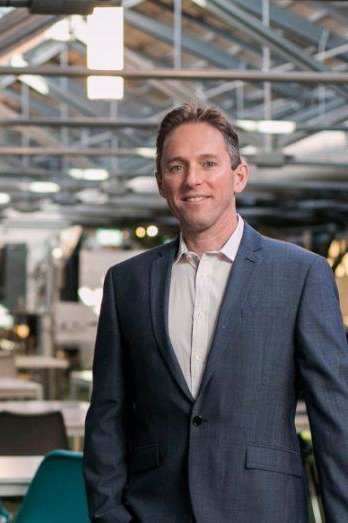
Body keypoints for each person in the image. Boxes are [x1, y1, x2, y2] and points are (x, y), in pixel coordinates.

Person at [83, 102, 348, 522]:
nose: (193, 180)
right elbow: (107, 415)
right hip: (154, 510)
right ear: (160, 182)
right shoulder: (127, 283)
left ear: (238, 175)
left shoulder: (301, 274)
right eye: (176, 166)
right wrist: (109, 513)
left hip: (263, 508)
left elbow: (336, 417)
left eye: (209, 163)